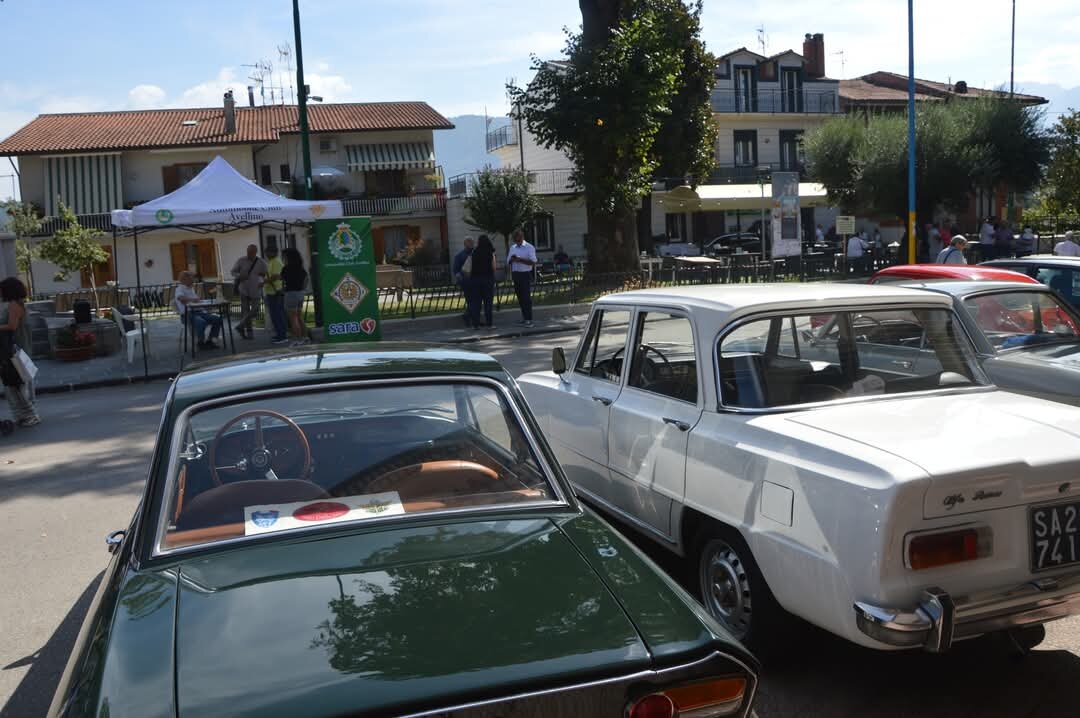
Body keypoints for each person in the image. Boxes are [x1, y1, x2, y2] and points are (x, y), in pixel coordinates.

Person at [0, 277, 40, 428]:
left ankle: (31, 415)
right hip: (14, 349)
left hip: (15, 349)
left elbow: (11, 326)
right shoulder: (16, 304)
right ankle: (22, 416)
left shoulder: (13, 305)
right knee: (13, 384)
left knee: (17, 384)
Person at [175, 270, 223, 349]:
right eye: (191, 278)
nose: (193, 280)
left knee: (217, 319)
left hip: (199, 312)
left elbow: (196, 301)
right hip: (188, 314)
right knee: (201, 322)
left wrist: (203, 304)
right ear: (185, 279)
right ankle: (200, 343)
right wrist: (193, 300)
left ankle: (210, 340)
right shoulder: (180, 288)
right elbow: (181, 298)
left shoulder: (190, 288)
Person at [230, 244, 267, 340]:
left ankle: (240, 325)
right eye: (248, 252)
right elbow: (233, 272)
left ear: (255, 252)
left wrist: (263, 281)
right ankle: (249, 333)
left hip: (256, 289)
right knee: (245, 311)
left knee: (255, 310)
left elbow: (266, 274)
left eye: (251, 252)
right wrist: (239, 275)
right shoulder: (241, 260)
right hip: (244, 289)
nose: (249, 254)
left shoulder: (261, 262)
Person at [507, 229, 537, 327]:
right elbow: (508, 261)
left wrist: (520, 260)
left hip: (525, 274)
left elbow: (533, 262)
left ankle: (529, 319)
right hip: (516, 274)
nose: (517, 240)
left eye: (518, 238)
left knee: (526, 297)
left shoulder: (529, 247)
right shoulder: (513, 248)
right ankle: (524, 318)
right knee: (520, 297)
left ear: (522, 237)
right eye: (515, 239)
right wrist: (512, 260)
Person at [467, 235, 497, 329]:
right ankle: (489, 324)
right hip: (487, 279)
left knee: (476, 302)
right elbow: (494, 267)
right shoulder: (490, 253)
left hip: (475, 280)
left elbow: (469, 267)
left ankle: (475, 324)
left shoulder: (474, 252)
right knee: (488, 302)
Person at [281, 247, 309, 344]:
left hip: (290, 294)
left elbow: (282, 280)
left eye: (284, 257)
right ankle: (305, 337)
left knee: (293, 318)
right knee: (299, 317)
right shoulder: (301, 268)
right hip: (300, 293)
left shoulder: (286, 269)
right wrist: (303, 289)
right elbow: (306, 279)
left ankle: (298, 339)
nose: (283, 259)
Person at [263, 245, 289, 345]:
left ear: (273, 252)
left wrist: (263, 282)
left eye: (267, 252)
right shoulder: (271, 262)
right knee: (274, 314)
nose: (266, 254)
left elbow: (276, 276)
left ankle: (282, 336)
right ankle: (279, 334)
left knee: (278, 314)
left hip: (276, 292)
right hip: (271, 292)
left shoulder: (276, 262)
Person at [453, 237, 475, 327]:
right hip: (466, 282)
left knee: (475, 301)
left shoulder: (475, 254)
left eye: (472, 243)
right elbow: (456, 270)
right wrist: (459, 278)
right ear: (465, 244)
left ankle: (472, 318)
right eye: (469, 243)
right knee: (471, 301)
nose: (471, 245)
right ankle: (469, 317)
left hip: (476, 280)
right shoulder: (460, 256)